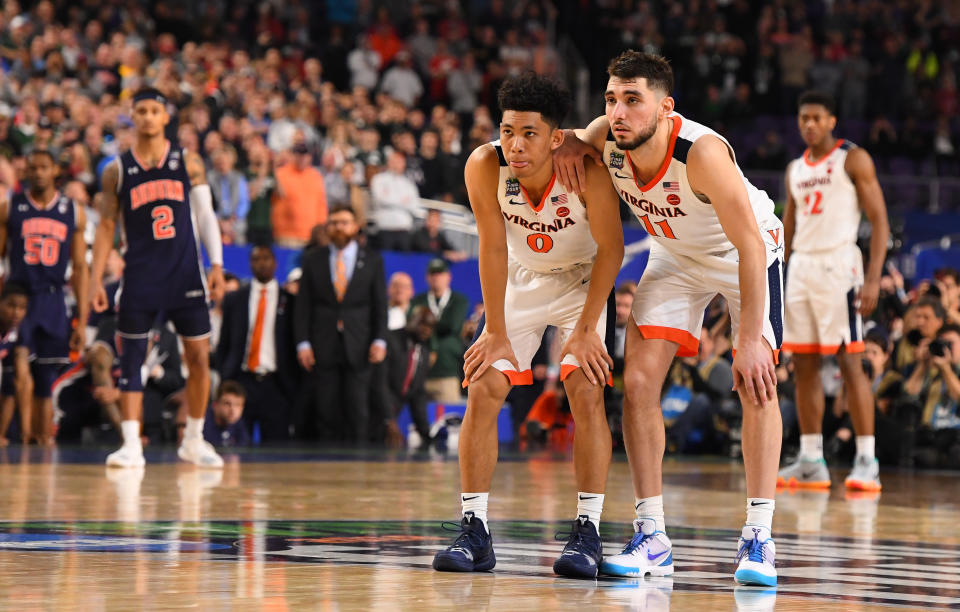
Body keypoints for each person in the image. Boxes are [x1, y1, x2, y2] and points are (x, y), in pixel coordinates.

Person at [555, 51, 784, 586]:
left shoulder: (700, 153)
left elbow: (750, 244)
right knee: (636, 383)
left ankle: (759, 537)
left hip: (744, 252)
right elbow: (567, 138)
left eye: (633, 100)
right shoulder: (605, 136)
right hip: (676, 255)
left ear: (665, 107)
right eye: (612, 99)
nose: (619, 111)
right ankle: (652, 535)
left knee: (756, 381)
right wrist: (565, 140)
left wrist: (748, 338)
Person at [432, 73, 623, 579]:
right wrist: (494, 330)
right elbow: (492, 248)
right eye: (508, 130)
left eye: (530, 133)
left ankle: (588, 530)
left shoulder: (587, 170)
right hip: (522, 279)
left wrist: (584, 329)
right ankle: (475, 528)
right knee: (483, 385)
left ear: (556, 137)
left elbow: (613, 250)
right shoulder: (484, 164)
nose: (515, 144)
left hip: (582, 281)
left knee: (585, 387)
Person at [91, 87, 225, 469]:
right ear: (132, 116)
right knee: (132, 359)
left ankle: (195, 440)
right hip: (140, 277)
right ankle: (132, 443)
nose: (148, 117)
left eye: (155, 110)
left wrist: (216, 265)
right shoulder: (117, 169)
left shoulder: (189, 160)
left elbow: (205, 215)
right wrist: (97, 278)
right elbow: (105, 228)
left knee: (198, 357)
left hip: (185, 273)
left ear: (166, 117)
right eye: (142, 111)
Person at [777, 91, 890, 492]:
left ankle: (866, 460)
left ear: (831, 121)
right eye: (803, 117)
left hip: (840, 266)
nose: (808, 124)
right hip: (802, 268)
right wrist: (777, 272)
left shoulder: (852, 158)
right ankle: (811, 460)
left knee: (849, 364)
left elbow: (880, 221)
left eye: (816, 118)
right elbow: (787, 229)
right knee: (804, 366)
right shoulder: (794, 169)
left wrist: (874, 278)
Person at [0, 149, 88, 446]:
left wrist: (82, 319)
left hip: (53, 299)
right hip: (20, 298)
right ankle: (23, 435)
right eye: (33, 168)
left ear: (55, 171)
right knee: (20, 368)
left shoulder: (72, 210)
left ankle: (41, 439)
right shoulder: (10, 207)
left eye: (44, 167)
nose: (37, 172)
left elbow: (79, 268)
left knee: (45, 379)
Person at [294, 204, 387, 443]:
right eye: (334, 222)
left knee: (358, 409)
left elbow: (379, 305)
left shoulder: (373, 260)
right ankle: (326, 468)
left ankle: (358, 466)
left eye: (344, 222)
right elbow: (303, 305)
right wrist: (302, 343)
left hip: (360, 344)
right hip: (322, 344)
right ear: (327, 227)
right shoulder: (313, 259)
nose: (339, 227)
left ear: (355, 227)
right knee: (325, 409)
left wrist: (379, 339)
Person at [216, 245, 295, 442]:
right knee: (237, 446)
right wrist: (225, 374)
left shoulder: (291, 301)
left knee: (277, 449)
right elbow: (224, 342)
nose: (262, 263)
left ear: (275, 263)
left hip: (276, 383)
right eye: (256, 259)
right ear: (250, 263)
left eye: (266, 258)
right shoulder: (235, 299)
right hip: (242, 381)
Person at [410, 258, 469, 405]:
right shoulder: (418, 300)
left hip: (447, 372)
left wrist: (426, 324)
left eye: (440, 273)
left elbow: (452, 326)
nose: (436, 277)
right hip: (420, 373)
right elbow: (414, 328)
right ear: (427, 277)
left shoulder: (458, 300)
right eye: (432, 273)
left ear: (448, 276)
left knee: (448, 419)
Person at [385, 305, 436, 445]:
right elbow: (379, 383)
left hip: (391, 420)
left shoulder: (423, 353)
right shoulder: (390, 339)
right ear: (411, 320)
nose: (426, 330)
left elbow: (418, 395)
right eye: (422, 323)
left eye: (431, 327)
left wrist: (427, 436)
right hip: (373, 413)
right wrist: (389, 420)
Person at [0, 283, 29, 446]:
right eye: (11, 305)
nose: (16, 312)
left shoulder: (19, 330)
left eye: (22, 308)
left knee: (12, 382)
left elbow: (13, 388)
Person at [203, 380, 250, 448]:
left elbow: (245, 448)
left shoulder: (239, 423)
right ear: (215, 405)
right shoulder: (202, 424)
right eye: (227, 403)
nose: (232, 410)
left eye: (238, 405)